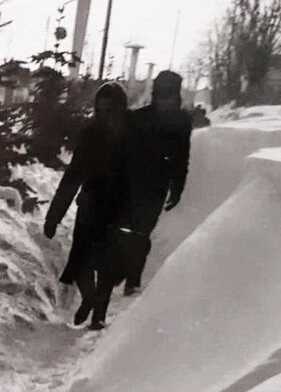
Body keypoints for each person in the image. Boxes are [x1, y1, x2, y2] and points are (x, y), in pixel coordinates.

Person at [43, 81, 131, 330]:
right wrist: (54, 216)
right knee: (80, 260)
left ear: (120, 109)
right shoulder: (91, 134)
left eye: (109, 111)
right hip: (90, 206)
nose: (103, 116)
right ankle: (90, 299)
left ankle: (99, 315)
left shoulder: (131, 136)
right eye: (99, 111)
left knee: (106, 265)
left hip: (117, 210)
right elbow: (73, 176)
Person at [123, 70, 192, 295]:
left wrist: (177, 187)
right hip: (131, 183)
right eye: (162, 96)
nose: (166, 102)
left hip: (157, 187)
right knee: (126, 231)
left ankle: (132, 280)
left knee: (141, 234)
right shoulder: (138, 118)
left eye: (170, 97)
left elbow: (182, 156)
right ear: (155, 95)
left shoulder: (182, 121)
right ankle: (119, 271)